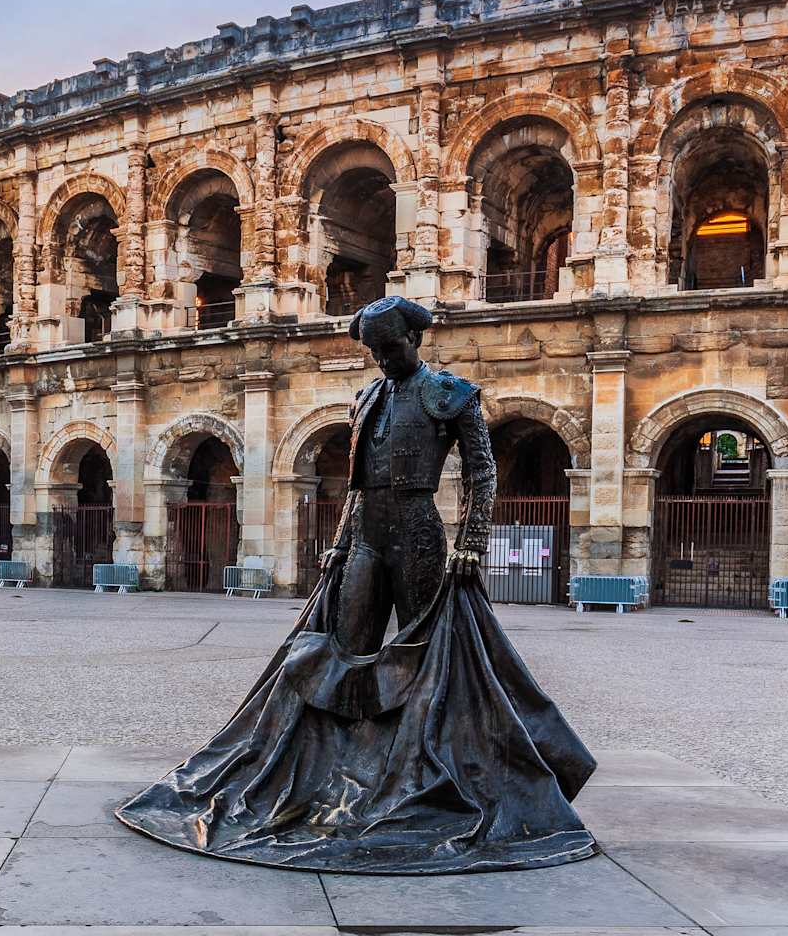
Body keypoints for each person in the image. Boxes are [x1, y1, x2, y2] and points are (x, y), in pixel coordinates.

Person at [117, 296, 596, 875]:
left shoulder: (452, 394)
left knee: (422, 653)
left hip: (418, 530)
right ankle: (334, 767)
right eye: (373, 350)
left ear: (413, 340)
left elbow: (482, 472)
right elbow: (357, 485)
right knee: (343, 649)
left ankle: (416, 762)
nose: (381, 358)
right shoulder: (368, 396)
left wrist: (471, 542)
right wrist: (342, 543)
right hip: (368, 532)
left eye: (388, 347)